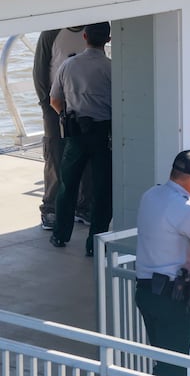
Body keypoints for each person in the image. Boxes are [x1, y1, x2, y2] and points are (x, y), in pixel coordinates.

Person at [135, 149, 190, 376]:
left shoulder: (150, 195)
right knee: (174, 369)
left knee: (163, 362)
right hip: (172, 299)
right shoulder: (188, 207)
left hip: (146, 293)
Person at [48, 22, 113, 256]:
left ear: (84, 36)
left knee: (67, 186)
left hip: (74, 133)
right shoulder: (111, 68)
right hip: (102, 135)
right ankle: (94, 245)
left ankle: (59, 234)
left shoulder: (68, 65)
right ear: (108, 39)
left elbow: (54, 100)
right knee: (102, 190)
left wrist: (68, 116)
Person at [33, 26, 93, 230]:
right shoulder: (50, 32)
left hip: (85, 104)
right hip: (54, 104)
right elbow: (39, 72)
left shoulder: (93, 28)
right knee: (56, 156)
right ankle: (50, 209)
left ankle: (83, 206)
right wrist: (46, 105)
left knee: (86, 155)